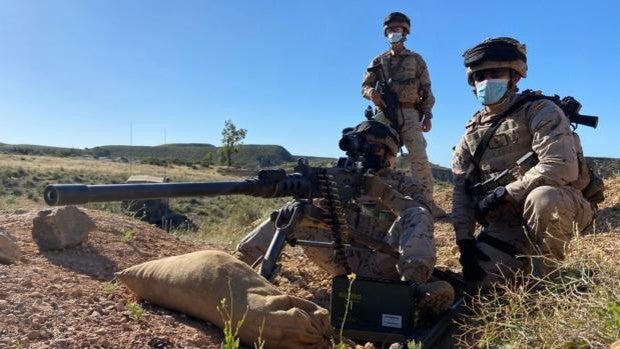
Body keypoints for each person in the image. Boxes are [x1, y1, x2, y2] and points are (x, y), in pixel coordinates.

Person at [236, 120, 454, 311]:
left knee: (417, 213)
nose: (364, 153)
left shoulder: (404, 184)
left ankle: (412, 290)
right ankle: (238, 268)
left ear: (388, 153)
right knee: (293, 211)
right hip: (341, 258)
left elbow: (423, 216)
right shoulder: (338, 176)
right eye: (361, 146)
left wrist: (384, 193)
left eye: (374, 148)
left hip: (381, 265)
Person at [451, 37, 595, 288]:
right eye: (479, 76)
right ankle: (523, 263)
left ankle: (549, 281)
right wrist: (464, 244)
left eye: (495, 73)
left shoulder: (540, 111)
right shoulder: (470, 135)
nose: (486, 81)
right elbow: (461, 193)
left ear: (514, 77)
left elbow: (561, 166)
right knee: (479, 284)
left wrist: (503, 194)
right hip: (507, 223)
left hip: (560, 206)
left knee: (543, 198)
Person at [361, 12, 446, 219]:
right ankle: (387, 206)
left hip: (410, 113)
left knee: (418, 157)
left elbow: (426, 89)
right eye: (390, 30)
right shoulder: (378, 61)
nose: (393, 33)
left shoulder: (416, 59)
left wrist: (428, 115)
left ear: (405, 32)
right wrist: (371, 93)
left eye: (397, 30)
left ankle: (427, 203)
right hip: (385, 114)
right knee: (383, 159)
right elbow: (365, 85)